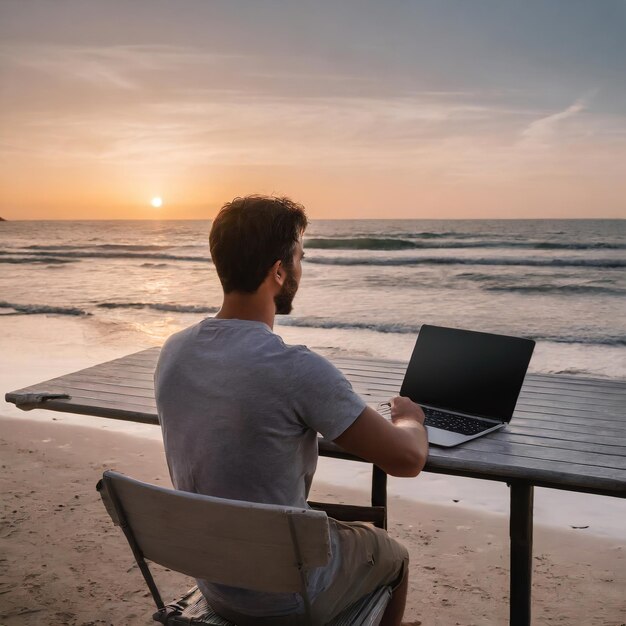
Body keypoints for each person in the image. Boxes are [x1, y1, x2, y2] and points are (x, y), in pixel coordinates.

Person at [154, 195, 429, 625]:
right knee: (390, 552)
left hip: (216, 579)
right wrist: (409, 417)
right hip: (286, 597)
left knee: (322, 525)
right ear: (278, 271)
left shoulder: (174, 351)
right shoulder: (296, 368)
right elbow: (407, 460)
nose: (301, 267)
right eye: (299, 257)